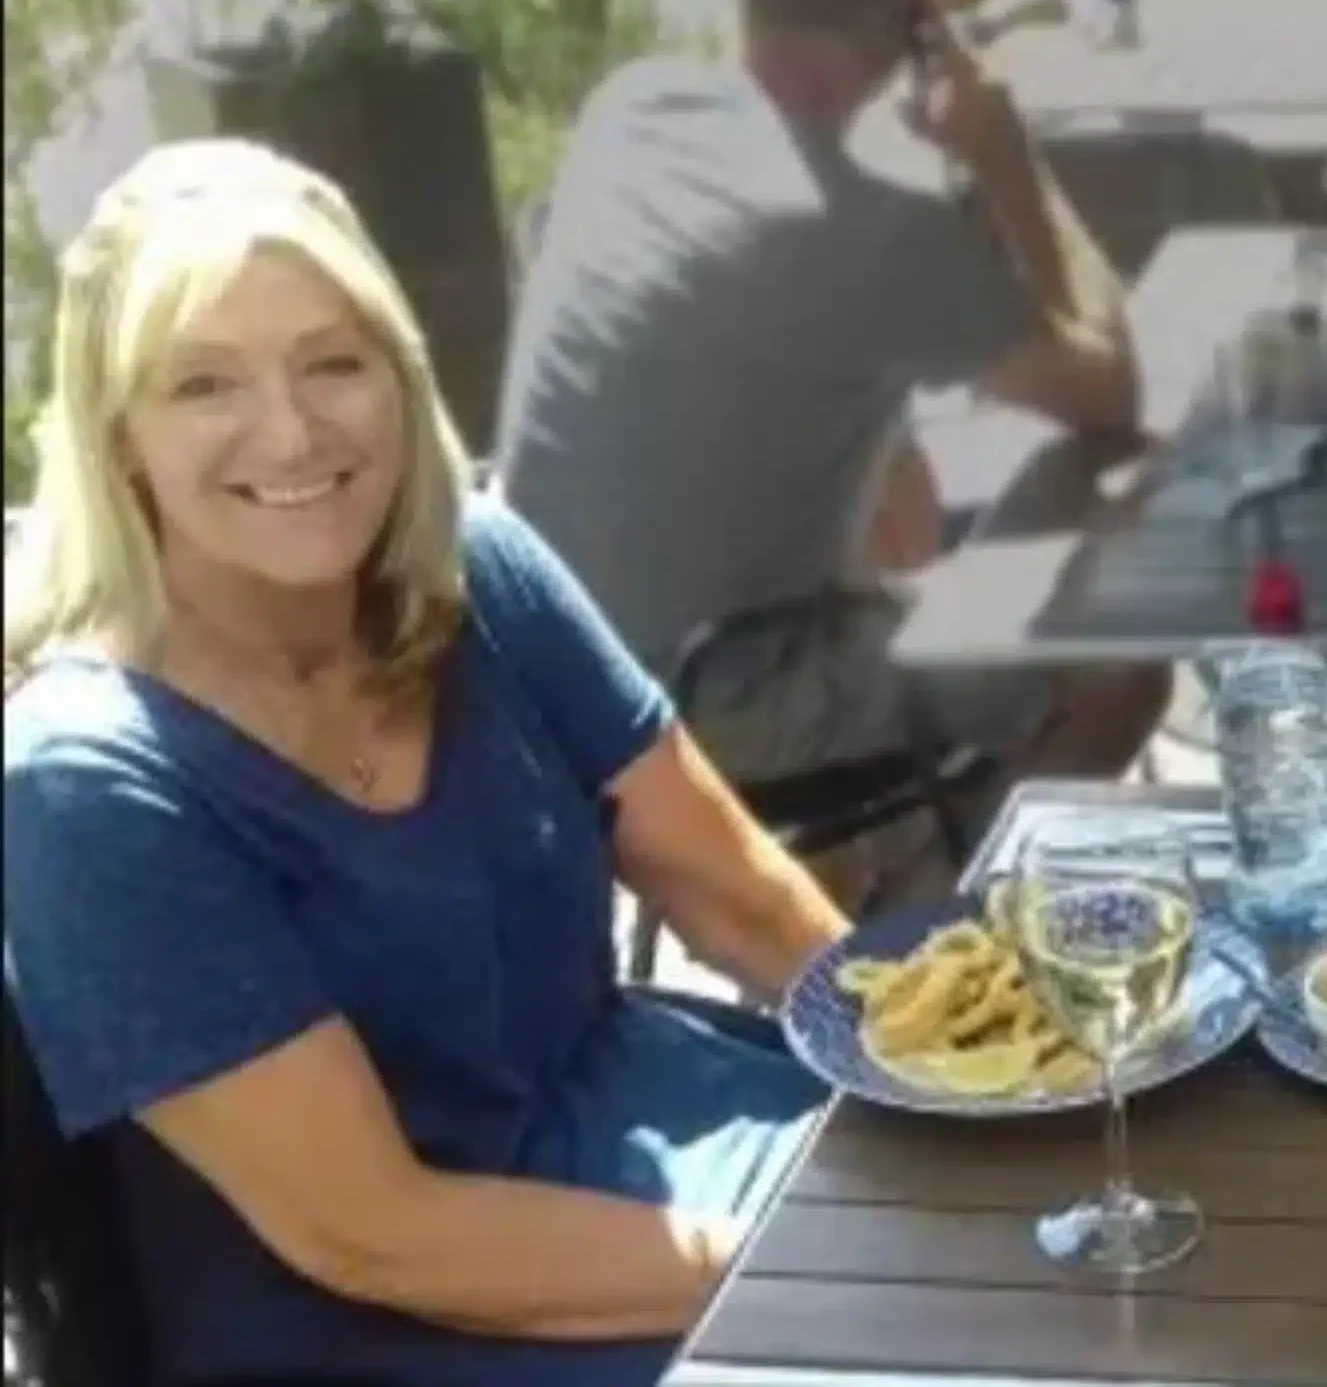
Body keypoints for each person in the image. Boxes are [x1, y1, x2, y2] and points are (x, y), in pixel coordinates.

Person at [3, 138, 843, 1387]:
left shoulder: (477, 568)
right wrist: (835, 1266)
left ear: (397, 373)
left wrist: (941, 1085)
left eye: (333, 363)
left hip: (664, 1136)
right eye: (204, 384)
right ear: (119, 434)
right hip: (396, 1320)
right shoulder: (87, 784)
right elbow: (377, 1235)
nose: (291, 434)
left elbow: (737, 892)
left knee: (1087, 1256)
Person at [495, 0, 1168, 806]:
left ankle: (875, 847)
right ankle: (930, 911)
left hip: (546, 674)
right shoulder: (871, 231)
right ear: (915, 27)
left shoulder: (630, 111)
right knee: (1119, 670)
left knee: (893, 470)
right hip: (698, 711)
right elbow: (1115, 392)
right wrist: (1004, 154)